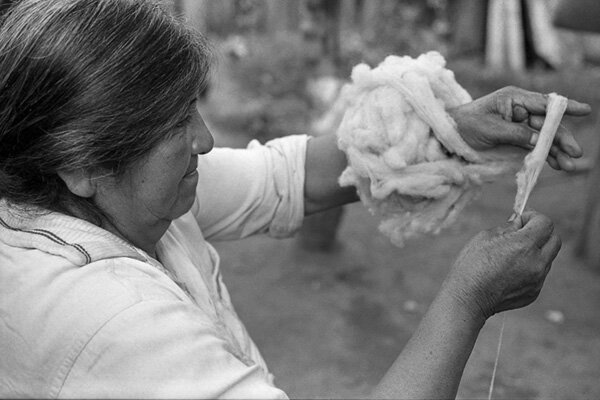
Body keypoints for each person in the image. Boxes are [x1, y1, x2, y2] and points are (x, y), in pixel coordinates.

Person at [0, 0, 591, 398]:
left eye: (194, 110)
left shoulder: (94, 198)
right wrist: (468, 300)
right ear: (82, 165)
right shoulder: (106, 319)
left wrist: (453, 126)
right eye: (174, 125)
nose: (205, 141)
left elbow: (283, 176)